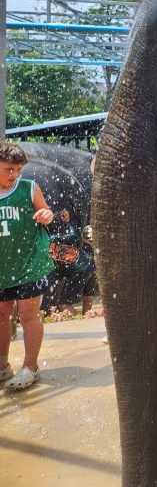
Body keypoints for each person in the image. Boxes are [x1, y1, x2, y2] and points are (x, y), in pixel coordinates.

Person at [0, 142, 56, 391]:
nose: (15, 175)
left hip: (29, 263)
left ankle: (30, 367)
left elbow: (46, 212)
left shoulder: (29, 188)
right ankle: (2, 366)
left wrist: (47, 215)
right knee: (1, 315)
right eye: (9, 169)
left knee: (28, 315)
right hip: (3, 268)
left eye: (18, 169)